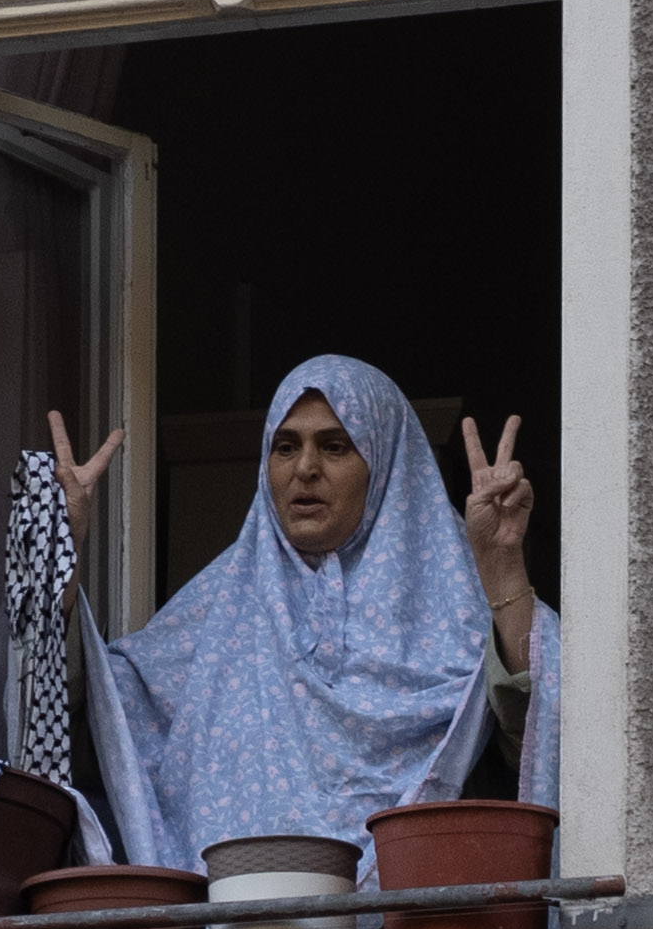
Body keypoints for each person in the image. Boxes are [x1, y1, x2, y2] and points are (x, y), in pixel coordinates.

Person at [45, 355, 558, 877]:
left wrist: (504, 570)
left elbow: (535, 736)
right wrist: (62, 554)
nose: (304, 468)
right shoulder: (221, 606)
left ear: (386, 464)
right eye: (285, 446)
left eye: (334, 446)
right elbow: (93, 719)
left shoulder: (454, 599)